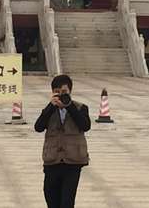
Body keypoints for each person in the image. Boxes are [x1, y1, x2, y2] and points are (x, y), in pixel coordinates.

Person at [34, 74, 91, 208]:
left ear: (70, 91)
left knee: (67, 201)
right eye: (57, 92)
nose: (61, 95)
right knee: (50, 197)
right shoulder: (49, 109)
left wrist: (69, 106)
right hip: (52, 160)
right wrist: (50, 107)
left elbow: (85, 126)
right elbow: (38, 127)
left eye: (64, 92)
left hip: (73, 161)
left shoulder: (81, 107)